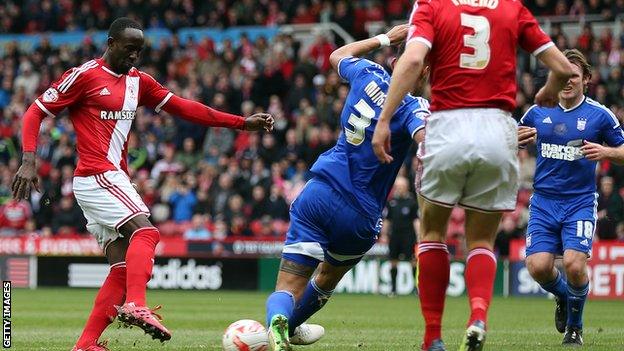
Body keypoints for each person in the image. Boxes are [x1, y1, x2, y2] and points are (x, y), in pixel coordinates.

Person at [11, 18, 274, 351]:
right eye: (129, 48)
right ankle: (136, 304)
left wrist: (240, 123)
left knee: (121, 269)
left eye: (140, 51)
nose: (134, 56)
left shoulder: (140, 82)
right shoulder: (84, 76)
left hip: (106, 179)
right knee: (147, 233)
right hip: (97, 175)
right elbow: (34, 112)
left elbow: (185, 108)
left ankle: (85, 344)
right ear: (110, 43)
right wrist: (29, 159)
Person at [371, 1, 576, 350]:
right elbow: (563, 67)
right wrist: (550, 89)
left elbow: (413, 59)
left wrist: (386, 118)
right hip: (498, 130)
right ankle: (478, 315)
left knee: (433, 231)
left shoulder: (432, 6)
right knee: (480, 241)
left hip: (448, 125)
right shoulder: (512, 8)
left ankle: (433, 337)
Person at [264, 24, 429, 351]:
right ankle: (292, 326)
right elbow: (428, 140)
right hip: (360, 216)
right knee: (326, 279)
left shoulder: (368, 73)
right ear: (421, 72)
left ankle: (280, 323)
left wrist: (385, 38)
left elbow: (337, 55)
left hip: (319, 194)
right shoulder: (414, 107)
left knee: (288, 283)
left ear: (394, 62)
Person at [519, 49, 624, 346]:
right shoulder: (538, 110)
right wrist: (509, 138)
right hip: (543, 202)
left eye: (573, 76)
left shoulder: (600, 115)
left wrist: (606, 152)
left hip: (579, 202)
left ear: (586, 79)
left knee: (575, 265)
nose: (567, 82)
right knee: (538, 267)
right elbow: (511, 136)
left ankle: (574, 328)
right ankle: (565, 297)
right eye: (561, 75)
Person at [384, 176, 419, 296]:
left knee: (412, 261)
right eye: (397, 187)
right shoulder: (391, 202)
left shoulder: (412, 202)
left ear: (406, 187)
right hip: (394, 236)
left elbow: (416, 220)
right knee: (393, 261)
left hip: (408, 236)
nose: (399, 189)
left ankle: (416, 288)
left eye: (401, 186)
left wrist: (419, 236)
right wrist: (384, 234)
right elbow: (387, 220)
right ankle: (393, 289)